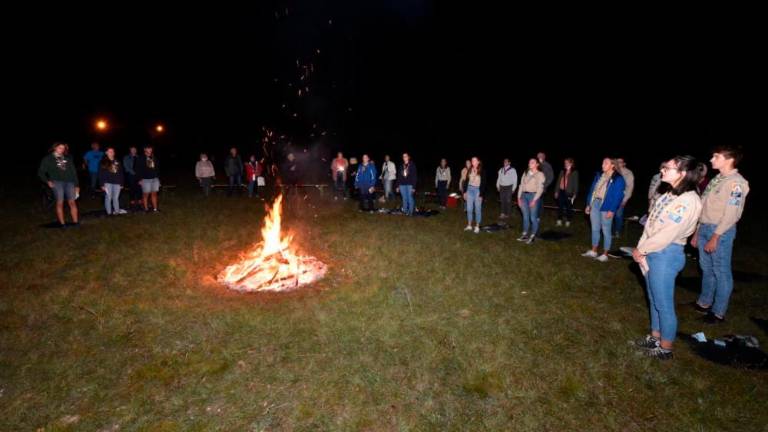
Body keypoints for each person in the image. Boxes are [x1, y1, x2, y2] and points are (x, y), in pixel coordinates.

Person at [632, 155, 703, 360]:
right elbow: (652, 223)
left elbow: (668, 232)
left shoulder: (688, 200)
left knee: (663, 304)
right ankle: (655, 337)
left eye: (668, 168)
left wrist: (643, 250)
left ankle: (666, 348)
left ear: (682, 173)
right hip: (652, 250)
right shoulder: (669, 193)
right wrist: (641, 247)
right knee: (653, 298)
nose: (662, 170)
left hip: (666, 254)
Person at [691, 145, 749, 324]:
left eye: (716, 156)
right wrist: (697, 231)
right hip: (705, 227)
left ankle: (718, 312)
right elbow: (705, 205)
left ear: (729, 160)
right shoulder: (718, 178)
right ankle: (704, 302)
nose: (711, 160)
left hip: (720, 231)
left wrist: (715, 236)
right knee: (706, 269)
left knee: (721, 271)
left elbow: (732, 214)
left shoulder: (737, 183)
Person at [583, 158, 625, 261]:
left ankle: (605, 254)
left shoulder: (618, 178)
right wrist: (588, 204)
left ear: (612, 165)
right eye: (602, 162)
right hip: (595, 203)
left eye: (605, 163)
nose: (602, 165)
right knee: (595, 228)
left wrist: (612, 210)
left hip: (607, 206)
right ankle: (594, 251)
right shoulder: (599, 175)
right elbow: (592, 190)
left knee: (606, 230)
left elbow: (618, 196)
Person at [38, 142, 79, 227]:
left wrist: (77, 185)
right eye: (60, 147)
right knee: (60, 202)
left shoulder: (67, 158)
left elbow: (73, 172)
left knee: (72, 202)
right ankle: (62, 224)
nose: (62, 150)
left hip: (69, 182)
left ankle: (75, 223)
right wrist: (47, 181)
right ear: (55, 148)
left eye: (63, 148)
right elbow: (41, 172)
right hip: (57, 182)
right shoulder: (48, 159)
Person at [516, 158, 545, 244]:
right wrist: (518, 198)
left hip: (533, 196)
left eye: (532, 162)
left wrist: (535, 200)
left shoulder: (540, 174)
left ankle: (533, 236)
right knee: (525, 216)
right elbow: (521, 185)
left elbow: (540, 189)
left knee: (533, 217)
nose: (530, 163)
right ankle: (524, 235)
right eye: (529, 162)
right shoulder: (526, 173)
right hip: (523, 196)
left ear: (537, 164)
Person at [98, 147, 126, 215]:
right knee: (108, 197)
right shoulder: (103, 162)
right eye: (110, 151)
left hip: (117, 182)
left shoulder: (117, 161)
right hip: (107, 182)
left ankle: (117, 212)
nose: (111, 153)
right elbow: (100, 174)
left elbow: (121, 173)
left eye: (113, 151)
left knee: (116, 198)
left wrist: (122, 183)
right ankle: (109, 213)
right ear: (106, 153)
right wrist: (102, 184)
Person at [613, 158, 635, 238]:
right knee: (609, 214)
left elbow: (630, 187)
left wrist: (625, 200)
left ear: (624, 164)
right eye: (617, 161)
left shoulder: (628, 173)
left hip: (621, 198)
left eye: (620, 162)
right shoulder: (613, 171)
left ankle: (617, 232)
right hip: (611, 197)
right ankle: (609, 231)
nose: (618, 163)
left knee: (618, 215)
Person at [463, 157, 485, 233]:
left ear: (478, 162)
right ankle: (469, 225)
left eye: (474, 160)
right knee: (469, 209)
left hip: (477, 190)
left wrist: (481, 195)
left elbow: (483, 183)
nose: (473, 162)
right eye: (472, 160)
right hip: (469, 189)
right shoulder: (469, 169)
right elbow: (466, 181)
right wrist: (465, 192)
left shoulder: (482, 171)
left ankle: (477, 226)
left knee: (477, 209)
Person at [555, 158, 579, 227]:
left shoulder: (574, 172)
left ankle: (568, 220)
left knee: (569, 207)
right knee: (560, 206)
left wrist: (575, 194)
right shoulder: (562, 171)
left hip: (569, 192)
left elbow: (576, 184)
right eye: (564, 162)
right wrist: (556, 191)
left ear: (571, 163)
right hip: (561, 191)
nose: (565, 164)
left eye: (566, 162)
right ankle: (559, 220)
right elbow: (558, 181)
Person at [136, 145, 160, 212]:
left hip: (154, 179)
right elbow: (137, 170)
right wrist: (139, 179)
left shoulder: (154, 158)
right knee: (146, 194)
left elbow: (157, 169)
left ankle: (155, 209)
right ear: (145, 149)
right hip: (145, 179)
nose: (150, 149)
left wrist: (158, 178)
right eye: (148, 148)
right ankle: (146, 209)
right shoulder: (140, 158)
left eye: (150, 148)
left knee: (154, 194)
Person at [537, 152, 554, 219]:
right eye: (538, 156)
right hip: (535, 187)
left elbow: (551, 177)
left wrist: (545, 185)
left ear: (544, 157)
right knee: (536, 200)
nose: (539, 158)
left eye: (541, 156)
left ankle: (538, 216)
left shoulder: (547, 165)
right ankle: (536, 214)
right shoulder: (537, 164)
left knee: (539, 201)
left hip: (542, 187)